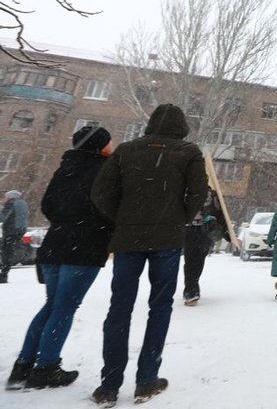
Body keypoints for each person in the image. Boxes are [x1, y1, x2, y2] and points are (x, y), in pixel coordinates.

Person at [89, 104, 208, 406]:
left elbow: (100, 192)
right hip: (167, 240)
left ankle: (109, 385)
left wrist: (123, 217)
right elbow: (198, 193)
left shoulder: (126, 150)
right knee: (160, 307)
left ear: (151, 123)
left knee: (120, 308)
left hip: (128, 240)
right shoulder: (188, 152)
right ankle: (146, 380)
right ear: (181, 126)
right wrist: (179, 218)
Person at [5, 126, 113, 391]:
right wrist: (102, 229)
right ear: (99, 146)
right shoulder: (103, 171)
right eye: (109, 142)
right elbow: (108, 208)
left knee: (52, 305)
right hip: (83, 248)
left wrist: (65, 223)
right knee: (64, 308)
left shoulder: (65, 168)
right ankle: (46, 368)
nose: (113, 146)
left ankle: (23, 366)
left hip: (54, 245)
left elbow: (47, 205)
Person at [182, 187, 229, 306]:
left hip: (205, 231)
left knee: (197, 261)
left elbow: (221, 213)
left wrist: (226, 232)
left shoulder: (212, 195)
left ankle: (191, 288)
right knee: (192, 260)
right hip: (191, 230)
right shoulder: (186, 192)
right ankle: (191, 291)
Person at [0, 190, 29, 284]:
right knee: (10, 250)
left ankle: (3, 275)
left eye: (6, 197)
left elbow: (2, 217)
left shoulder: (11, 203)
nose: (4, 199)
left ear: (10, 197)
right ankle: (4, 273)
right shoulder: (23, 203)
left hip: (11, 231)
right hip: (20, 230)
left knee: (6, 252)